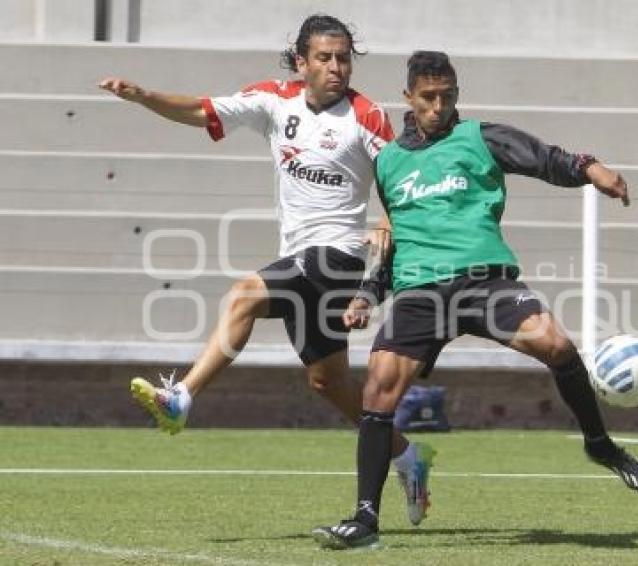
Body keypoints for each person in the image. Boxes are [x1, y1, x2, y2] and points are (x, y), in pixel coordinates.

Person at [98, 14, 435, 526]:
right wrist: (145, 97)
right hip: (302, 258)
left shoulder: (366, 116)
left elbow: (400, 183)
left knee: (244, 295)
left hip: (337, 257)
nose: (336, 67)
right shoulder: (274, 100)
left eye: (343, 57)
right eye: (324, 57)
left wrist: (386, 226)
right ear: (302, 62)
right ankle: (408, 457)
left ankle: (181, 398)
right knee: (328, 383)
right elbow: (200, 109)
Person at [313, 51, 638, 550]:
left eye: (447, 97)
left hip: (485, 281)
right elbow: (396, 239)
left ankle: (600, 446)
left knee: (557, 346)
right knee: (377, 393)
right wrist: (369, 292)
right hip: (420, 292)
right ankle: (365, 520)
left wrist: (590, 168)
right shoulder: (388, 161)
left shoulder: (481, 138)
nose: (438, 106)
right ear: (408, 96)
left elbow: (547, 159)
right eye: (428, 97)